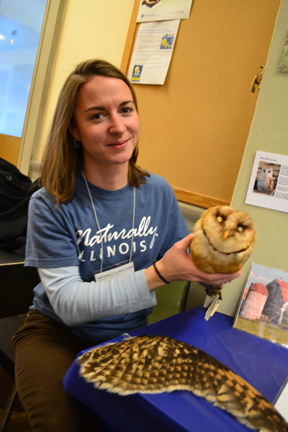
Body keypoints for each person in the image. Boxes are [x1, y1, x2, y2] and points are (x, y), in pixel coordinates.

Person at [13, 59, 242, 432]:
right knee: (64, 423)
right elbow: (69, 305)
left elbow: (185, 261)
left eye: (126, 110)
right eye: (97, 115)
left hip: (128, 336)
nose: (118, 127)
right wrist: (160, 273)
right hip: (56, 334)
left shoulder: (157, 191)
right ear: (74, 128)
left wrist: (217, 270)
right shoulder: (51, 202)